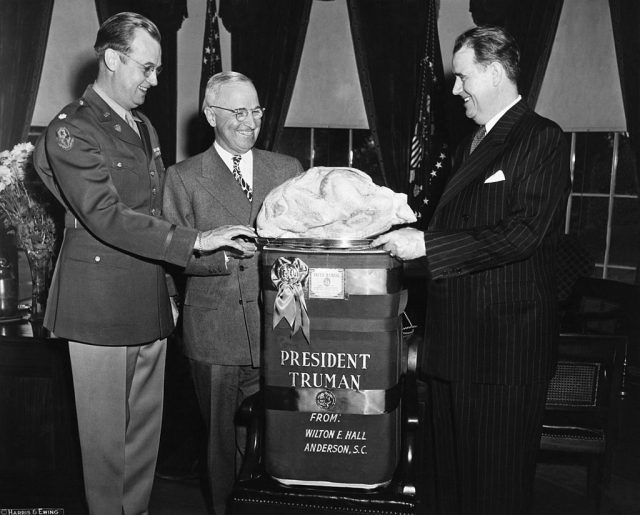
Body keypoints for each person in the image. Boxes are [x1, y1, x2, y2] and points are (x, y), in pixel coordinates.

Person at [33, 13, 255, 515]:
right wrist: (197, 240)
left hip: (148, 302)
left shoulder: (141, 126)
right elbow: (107, 217)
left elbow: (150, 209)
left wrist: (170, 297)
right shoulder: (72, 130)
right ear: (113, 59)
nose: (155, 81)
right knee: (107, 451)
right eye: (147, 68)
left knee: (141, 447)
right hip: (99, 307)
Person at [373, 25, 570, 515]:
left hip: (503, 356)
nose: (455, 89)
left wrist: (426, 244)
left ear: (496, 72)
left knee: (494, 492)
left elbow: (523, 233)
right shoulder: (471, 144)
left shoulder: (540, 136)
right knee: (448, 489)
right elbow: (460, 227)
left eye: (462, 78)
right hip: (454, 349)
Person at [162, 71, 303, 515]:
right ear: (210, 115)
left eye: (256, 110)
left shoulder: (288, 169)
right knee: (222, 445)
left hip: (282, 329)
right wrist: (222, 256)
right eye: (237, 111)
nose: (250, 121)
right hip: (214, 332)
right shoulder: (182, 178)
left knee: (282, 437)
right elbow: (171, 258)